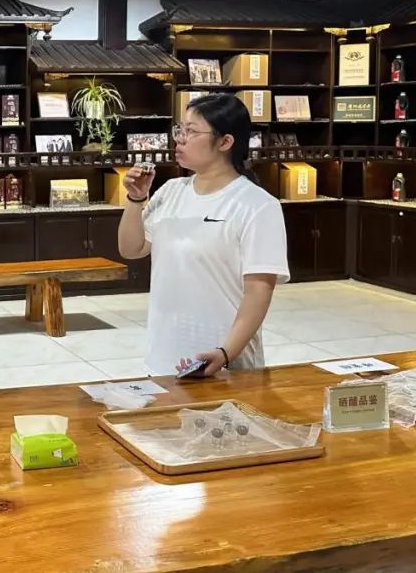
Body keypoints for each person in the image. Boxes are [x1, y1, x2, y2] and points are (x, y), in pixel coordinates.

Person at [117, 93, 289, 377]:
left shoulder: (257, 205)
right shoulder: (170, 191)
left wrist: (226, 352)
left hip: (223, 360)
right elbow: (131, 249)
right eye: (180, 129)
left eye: (191, 131)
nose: (179, 139)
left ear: (225, 142)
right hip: (163, 358)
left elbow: (259, 291)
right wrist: (135, 199)